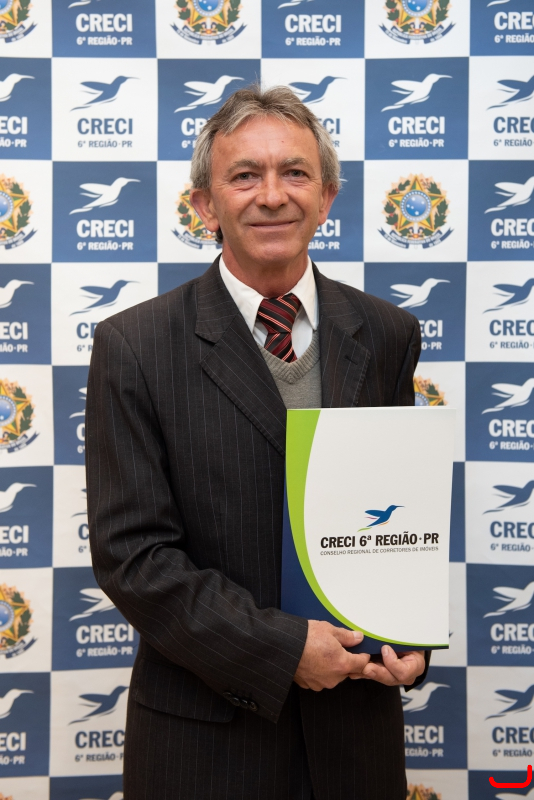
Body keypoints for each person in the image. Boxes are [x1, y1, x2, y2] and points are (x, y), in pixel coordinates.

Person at [86, 85, 428, 800]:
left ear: (326, 197)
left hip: (355, 740)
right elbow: (134, 557)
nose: (272, 196)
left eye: (295, 173)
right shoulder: (136, 345)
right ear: (205, 206)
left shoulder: (387, 333)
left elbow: (397, 518)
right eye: (245, 176)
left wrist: (406, 635)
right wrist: (283, 650)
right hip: (207, 747)